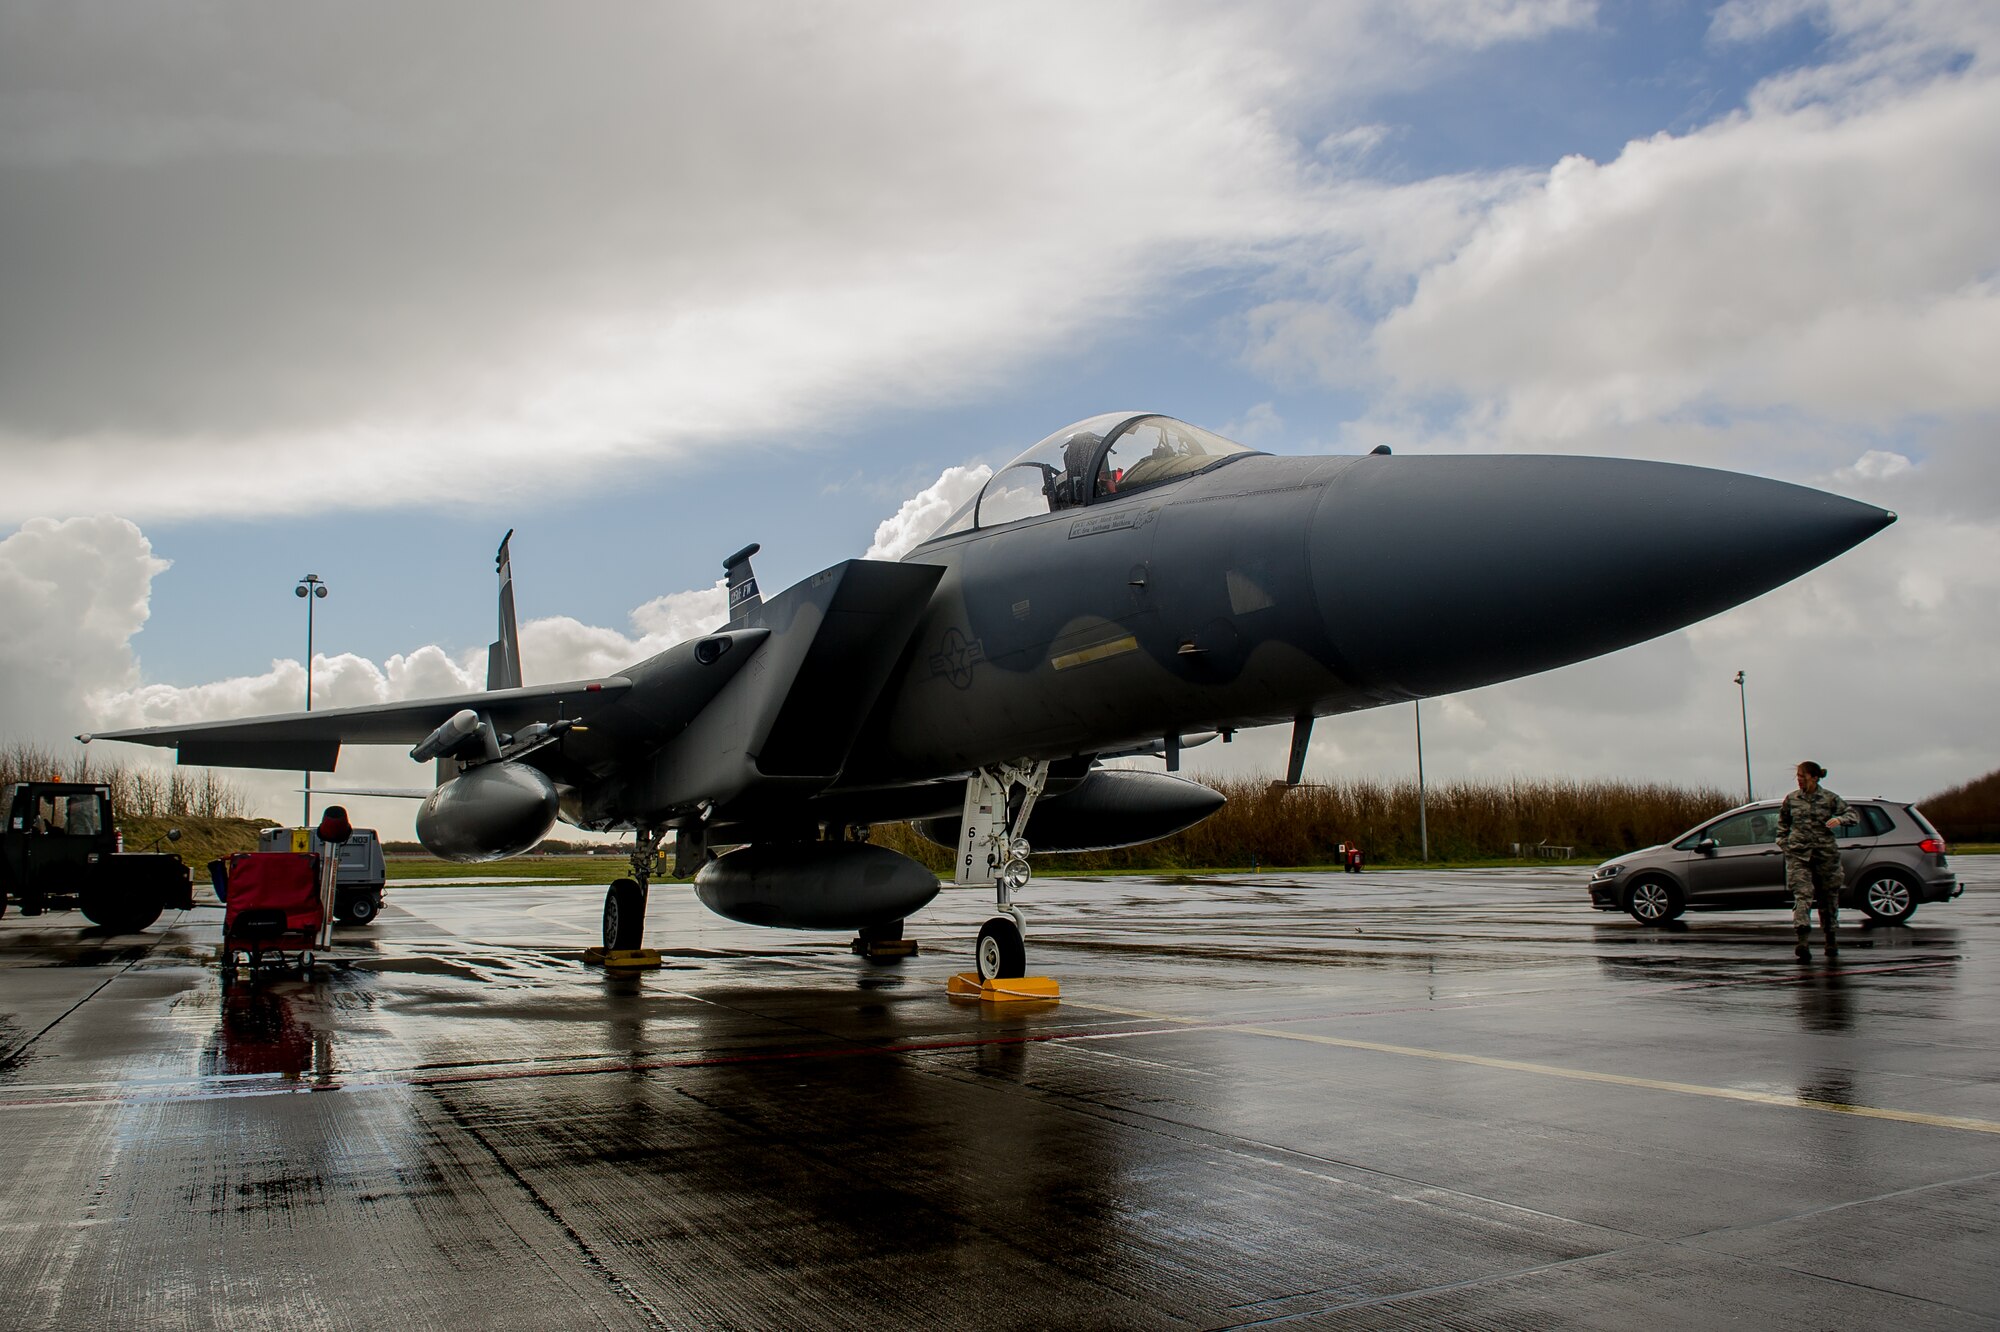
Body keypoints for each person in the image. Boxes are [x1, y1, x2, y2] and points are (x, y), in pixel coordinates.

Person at [1777, 760, 1856, 961]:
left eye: (1803, 777)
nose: (1799, 781)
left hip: (1825, 855)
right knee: (1802, 895)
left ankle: (1830, 938)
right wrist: (1785, 844)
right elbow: (1783, 824)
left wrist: (1840, 820)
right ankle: (1802, 941)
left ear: (1814, 777)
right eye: (1798, 778)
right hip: (1799, 855)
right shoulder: (1792, 799)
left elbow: (1852, 814)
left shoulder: (1829, 799)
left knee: (1828, 897)